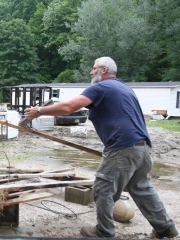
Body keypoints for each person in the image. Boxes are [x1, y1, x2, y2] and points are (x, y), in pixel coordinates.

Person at [24, 56, 178, 238]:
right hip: (142, 148)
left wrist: (39, 111)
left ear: (103, 70)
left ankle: (104, 233)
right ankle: (165, 228)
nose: (91, 71)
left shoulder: (101, 87)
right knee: (141, 188)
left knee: (103, 188)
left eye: (94, 68)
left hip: (123, 147)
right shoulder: (123, 88)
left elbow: (68, 108)